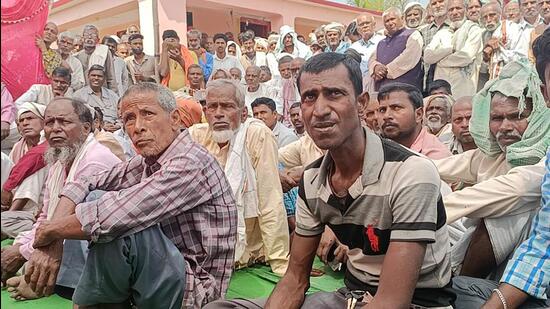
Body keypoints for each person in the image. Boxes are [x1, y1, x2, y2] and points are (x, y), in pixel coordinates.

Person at [206, 51, 455, 309]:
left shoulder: (412, 173)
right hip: (352, 296)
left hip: (417, 303)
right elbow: (294, 281)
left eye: (334, 94)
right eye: (309, 98)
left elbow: (392, 302)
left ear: (361, 103)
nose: (320, 110)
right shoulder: (313, 180)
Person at [434, 60, 549, 280]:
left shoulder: (544, 160)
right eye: (497, 118)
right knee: (429, 182)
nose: (505, 127)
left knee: (501, 213)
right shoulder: (494, 155)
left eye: (516, 116)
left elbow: (512, 190)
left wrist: (418, 216)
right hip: (469, 242)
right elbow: (433, 167)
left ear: (536, 117)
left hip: (528, 270)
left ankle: (459, 288)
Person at [1, 98, 121, 302]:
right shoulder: (58, 162)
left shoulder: (95, 159)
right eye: (49, 122)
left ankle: (57, 281)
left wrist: (22, 252)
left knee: (81, 216)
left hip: (104, 242)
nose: (55, 129)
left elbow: (69, 224)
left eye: (64, 122)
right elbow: (46, 218)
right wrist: (18, 247)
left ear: (86, 128)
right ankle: (37, 273)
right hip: (60, 235)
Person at [189, 79, 290, 276]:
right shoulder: (196, 136)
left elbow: (270, 200)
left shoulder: (257, 134)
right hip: (206, 247)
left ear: (243, 113)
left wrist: (280, 263)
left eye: (227, 106)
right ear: (205, 112)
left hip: (247, 249)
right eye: (212, 107)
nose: (218, 113)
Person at [1, 103, 48, 238]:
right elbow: (11, 173)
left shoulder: (49, 145)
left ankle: (9, 217)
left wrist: (7, 190)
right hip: (12, 199)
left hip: (39, 206)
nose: (25, 123)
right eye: (21, 121)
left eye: (30, 118)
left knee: (36, 169)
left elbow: (29, 166)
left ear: (43, 121)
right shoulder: (18, 146)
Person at [424, 0, 483, 97]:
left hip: (463, 89)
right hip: (441, 90)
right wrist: (450, 50)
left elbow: (466, 57)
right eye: (451, 10)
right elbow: (427, 57)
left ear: (465, 10)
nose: (455, 12)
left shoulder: (473, 29)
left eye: (458, 8)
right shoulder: (442, 33)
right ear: (447, 13)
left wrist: (440, 61)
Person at [378, 83, 452, 160]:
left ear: (418, 114)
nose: (386, 116)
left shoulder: (436, 158)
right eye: (382, 110)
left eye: (396, 108)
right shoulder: (377, 149)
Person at [370, 7, 424, 91]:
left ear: (402, 18)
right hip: (382, 91)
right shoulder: (381, 42)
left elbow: (409, 58)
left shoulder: (413, 35)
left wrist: (385, 71)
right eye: (387, 21)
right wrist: (375, 67)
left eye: (392, 19)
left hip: (405, 90)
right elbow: (372, 59)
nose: (390, 23)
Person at [481, 2, 531, 83]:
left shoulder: (512, 28)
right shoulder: (484, 35)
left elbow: (522, 59)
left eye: (492, 15)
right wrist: (486, 56)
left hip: (512, 81)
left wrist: (499, 49)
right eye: (485, 17)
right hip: (492, 81)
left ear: (500, 15)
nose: (489, 20)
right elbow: (483, 69)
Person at [73, 65, 120, 131]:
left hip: (116, 131)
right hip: (93, 133)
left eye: (100, 76)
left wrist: (118, 125)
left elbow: (122, 114)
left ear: (104, 78)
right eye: (93, 75)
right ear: (88, 77)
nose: (96, 78)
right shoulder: (78, 96)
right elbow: (77, 120)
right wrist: (101, 127)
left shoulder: (112, 95)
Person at [75, 25, 118, 94]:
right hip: (83, 94)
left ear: (98, 40)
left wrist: (114, 95)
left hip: (102, 93)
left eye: (93, 35)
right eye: (86, 35)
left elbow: (111, 77)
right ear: (82, 39)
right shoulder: (77, 56)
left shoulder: (104, 52)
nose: (89, 37)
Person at [420, 0, 451, 93]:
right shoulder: (423, 31)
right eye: (434, 3)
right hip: (427, 83)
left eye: (441, 1)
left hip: (450, 81)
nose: (437, 5)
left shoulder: (456, 28)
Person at [350, 14, 384, 85]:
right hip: (360, 86)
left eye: (367, 23)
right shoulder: (353, 48)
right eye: (361, 24)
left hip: (380, 84)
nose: (365, 26)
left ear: (374, 25)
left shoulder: (383, 42)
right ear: (358, 29)